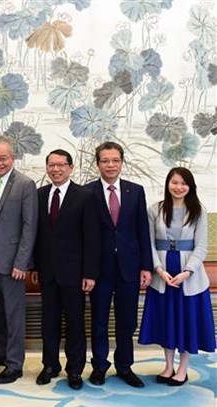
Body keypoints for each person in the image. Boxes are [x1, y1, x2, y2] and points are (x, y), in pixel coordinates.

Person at [138, 167, 215, 386]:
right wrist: (159, 269)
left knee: (186, 320)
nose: (178, 187)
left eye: (183, 183)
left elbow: (201, 246)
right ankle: (168, 365)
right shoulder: (155, 209)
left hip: (188, 275)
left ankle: (183, 368)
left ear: (190, 186)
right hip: (163, 272)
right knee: (167, 319)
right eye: (174, 182)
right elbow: (149, 243)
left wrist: (187, 272)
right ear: (167, 184)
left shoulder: (198, 210)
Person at [86, 141, 153, 388]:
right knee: (99, 320)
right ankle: (100, 366)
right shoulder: (87, 192)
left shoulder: (135, 191)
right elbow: (86, 236)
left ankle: (125, 366)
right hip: (99, 270)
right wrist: (87, 271)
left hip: (130, 267)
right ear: (98, 164)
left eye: (115, 160)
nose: (110, 165)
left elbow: (142, 231)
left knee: (127, 321)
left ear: (121, 162)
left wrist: (146, 266)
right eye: (105, 160)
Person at [32, 149, 99, 390]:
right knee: (48, 322)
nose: (56, 169)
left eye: (61, 165)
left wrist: (90, 273)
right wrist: (36, 266)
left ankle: (75, 370)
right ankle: (50, 365)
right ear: (47, 168)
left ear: (71, 168)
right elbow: (37, 236)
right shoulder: (39, 195)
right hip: (47, 272)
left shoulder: (85, 195)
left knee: (75, 323)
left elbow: (92, 237)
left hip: (75, 273)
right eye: (51, 165)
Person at [0, 137, 38, 384]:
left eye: (3, 158)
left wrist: (21, 262)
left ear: (12, 158)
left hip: (13, 261)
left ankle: (15, 364)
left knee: (13, 313)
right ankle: (1, 354)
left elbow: (29, 225)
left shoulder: (25, 184)